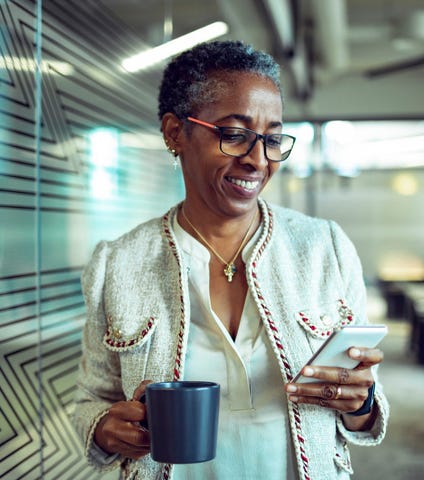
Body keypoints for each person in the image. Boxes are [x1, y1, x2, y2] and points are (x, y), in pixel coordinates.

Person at [73, 40, 389, 480]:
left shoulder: (324, 248)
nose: (258, 160)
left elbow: (366, 408)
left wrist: (362, 403)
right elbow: (93, 400)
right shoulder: (119, 263)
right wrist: (107, 429)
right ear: (174, 132)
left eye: (273, 139)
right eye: (234, 134)